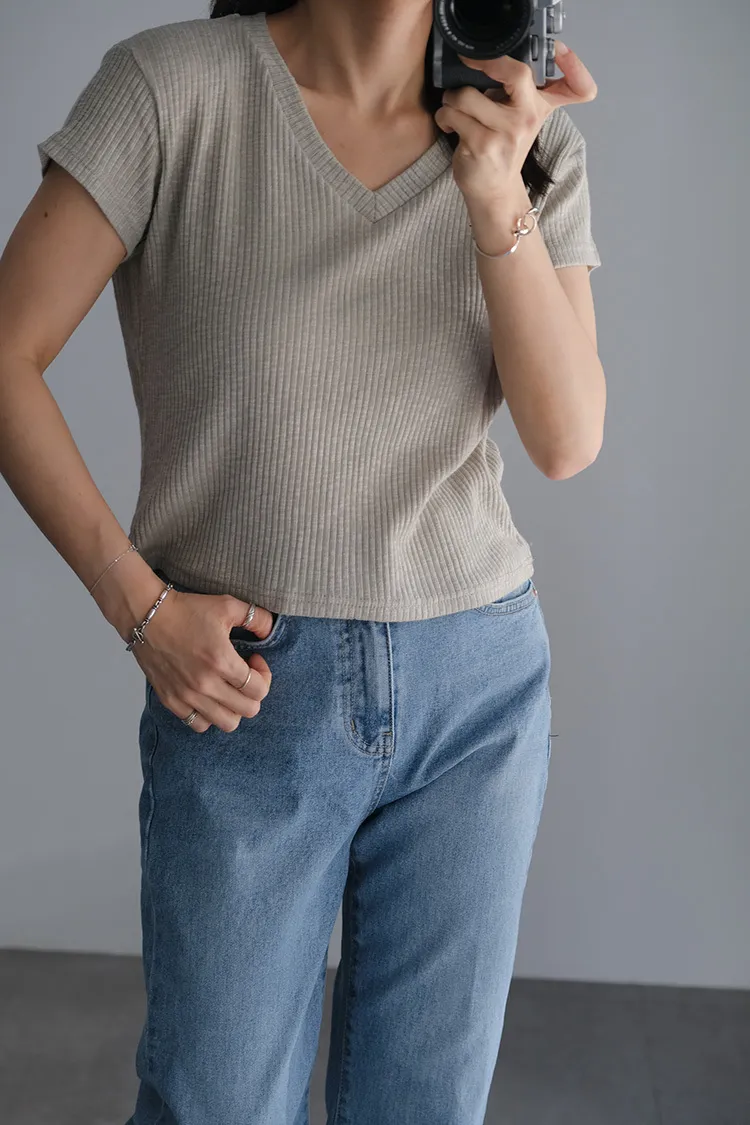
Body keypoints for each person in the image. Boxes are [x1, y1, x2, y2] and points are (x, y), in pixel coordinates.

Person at [0, 1, 604, 1122]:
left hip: (476, 692)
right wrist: (138, 608)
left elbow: (567, 439)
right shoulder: (172, 92)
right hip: (247, 691)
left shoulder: (523, 130)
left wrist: (495, 192)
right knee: (215, 1105)